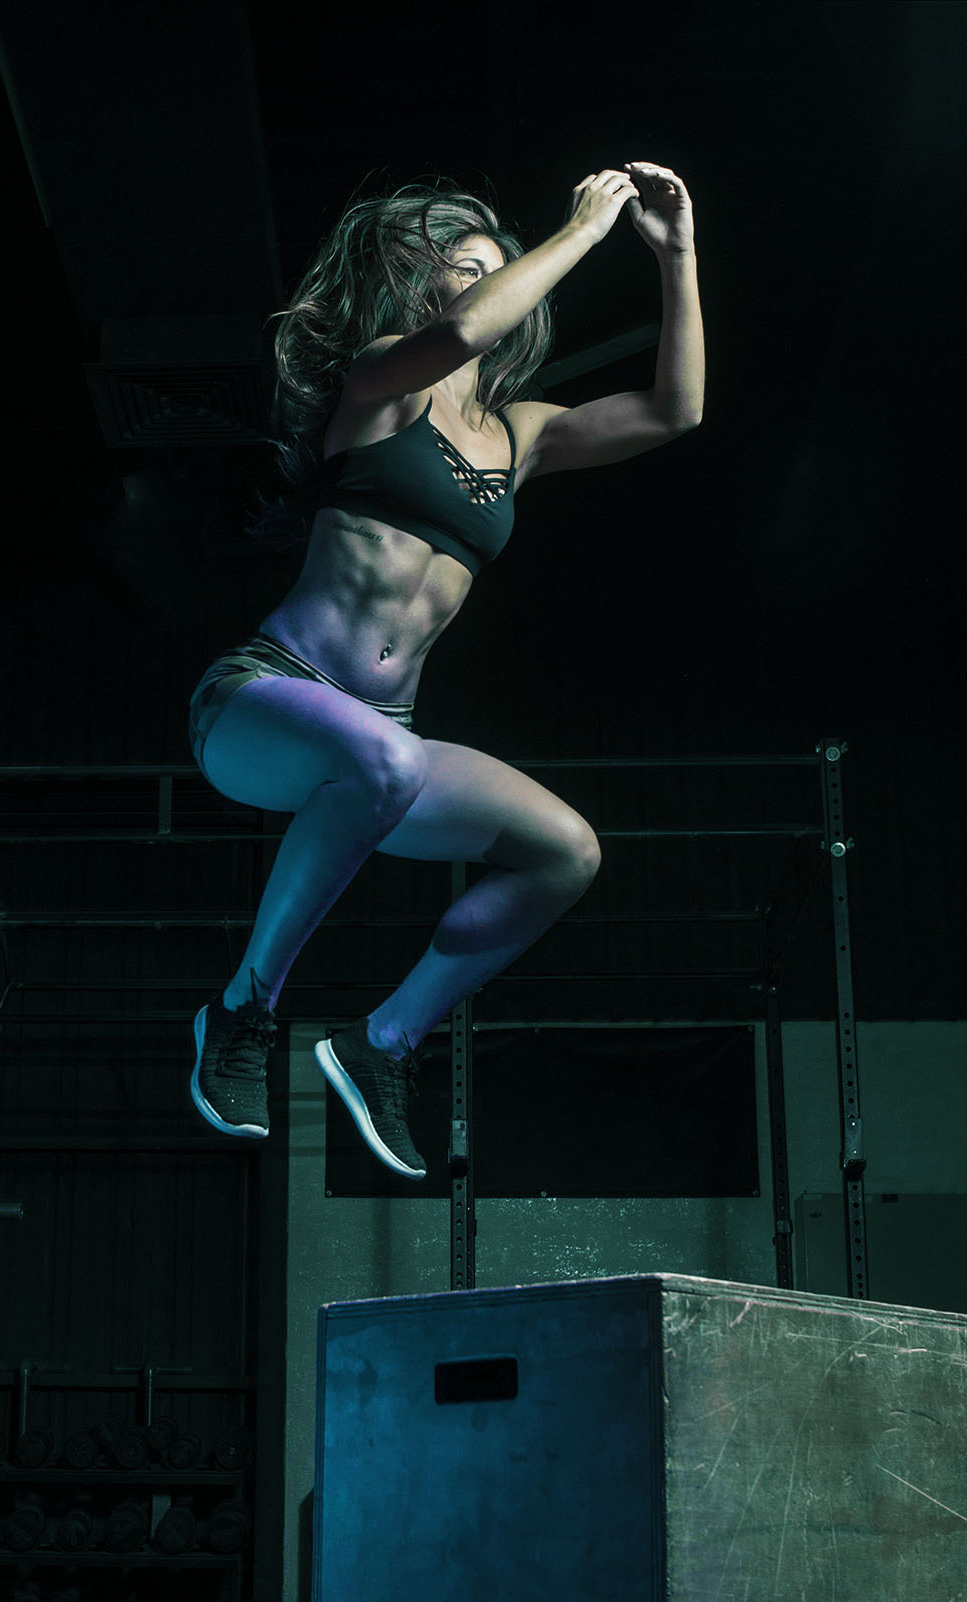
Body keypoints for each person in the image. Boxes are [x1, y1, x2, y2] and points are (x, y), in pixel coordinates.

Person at [184, 161, 704, 1179]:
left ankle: (384, 1044)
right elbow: (462, 336)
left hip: (384, 739)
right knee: (381, 759)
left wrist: (677, 256)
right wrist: (584, 230)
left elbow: (673, 411)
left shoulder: (522, 436)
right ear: (428, 293)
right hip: (259, 700)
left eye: (486, 270)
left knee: (566, 852)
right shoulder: (382, 378)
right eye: (457, 270)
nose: (474, 287)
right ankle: (242, 1012)